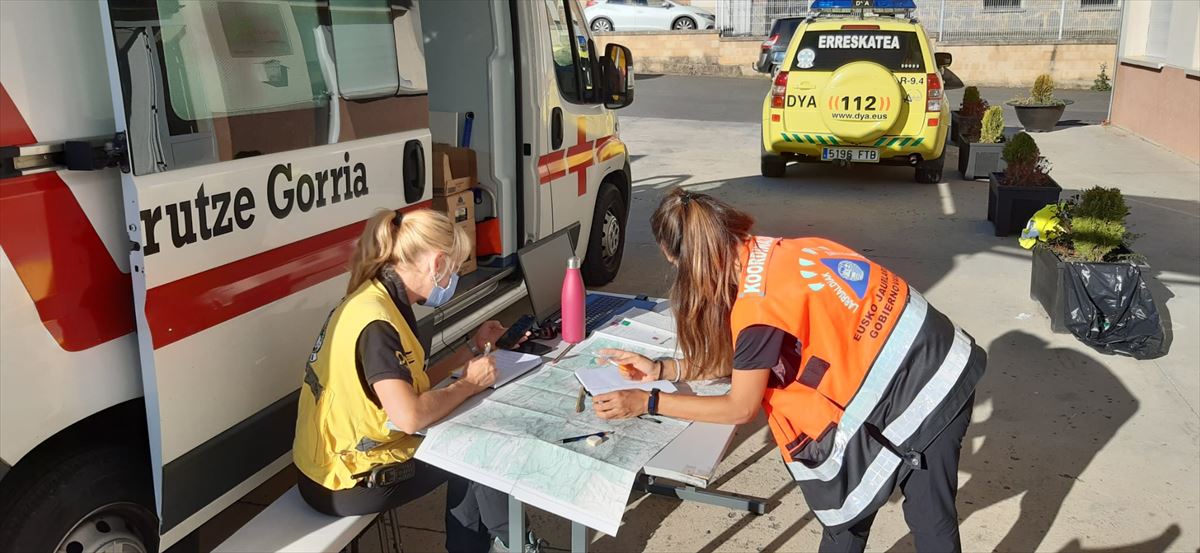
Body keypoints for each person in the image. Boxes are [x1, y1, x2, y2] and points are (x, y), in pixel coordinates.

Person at [592, 189, 986, 553]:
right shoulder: (770, 254)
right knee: (846, 516)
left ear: (687, 258)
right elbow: (753, 357)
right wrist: (666, 366)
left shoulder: (757, 304)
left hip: (932, 381)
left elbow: (740, 406)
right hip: (922, 349)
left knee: (928, 517)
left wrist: (650, 402)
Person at [293, 209, 533, 553]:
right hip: (346, 480)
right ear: (437, 263)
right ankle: (516, 545)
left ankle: (499, 545)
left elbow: (408, 385)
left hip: (332, 465)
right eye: (454, 268)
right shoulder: (377, 323)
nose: (453, 279)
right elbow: (410, 416)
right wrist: (469, 385)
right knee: (477, 452)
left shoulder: (376, 297)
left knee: (468, 447)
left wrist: (470, 350)